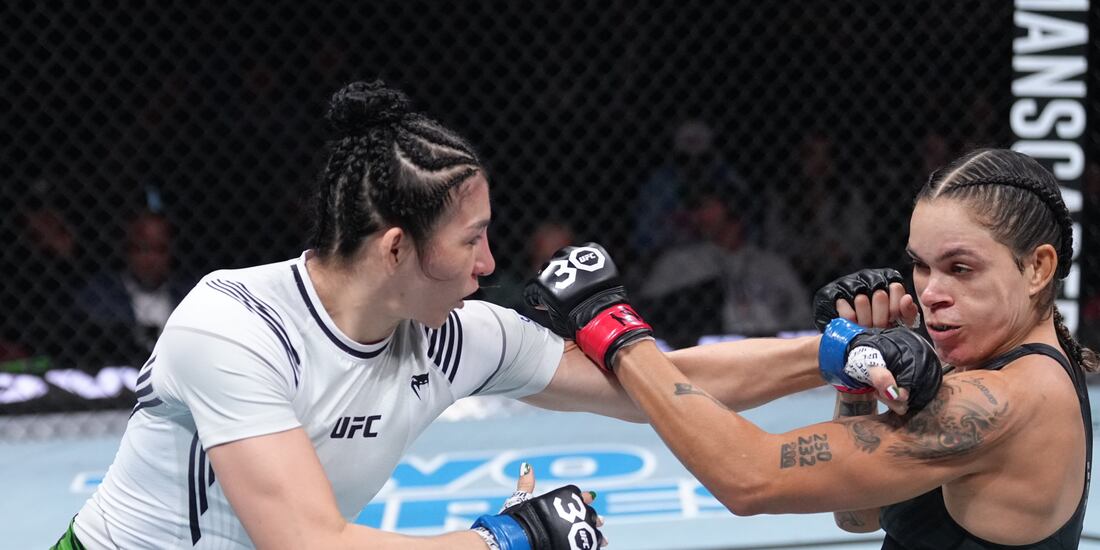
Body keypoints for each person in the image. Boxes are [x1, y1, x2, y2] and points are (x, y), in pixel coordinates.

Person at [55, 81, 912, 550]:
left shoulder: (458, 334)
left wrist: (836, 351)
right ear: (395, 249)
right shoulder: (231, 325)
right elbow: (309, 546)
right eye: (471, 241)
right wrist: (504, 541)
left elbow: (660, 386)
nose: (490, 264)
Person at [527, 148, 1096, 548]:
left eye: (961, 268)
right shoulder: (983, 364)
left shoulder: (1002, 402)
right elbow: (857, 516)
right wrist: (853, 370)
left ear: (1037, 268)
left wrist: (612, 328)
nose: (932, 293)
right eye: (920, 265)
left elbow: (751, 478)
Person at [640, 191, 810, 344]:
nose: (697, 216)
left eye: (705, 207)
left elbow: (803, 317)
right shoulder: (677, 263)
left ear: (730, 208)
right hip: (709, 351)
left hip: (771, 347)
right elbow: (649, 317)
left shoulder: (772, 264)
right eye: (695, 209)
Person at [76, 210, 192, 365]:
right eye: (143, 249)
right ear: (126, 249)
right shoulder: (99, 296)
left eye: (160, 249)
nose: (151, 259)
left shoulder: (190, 294)